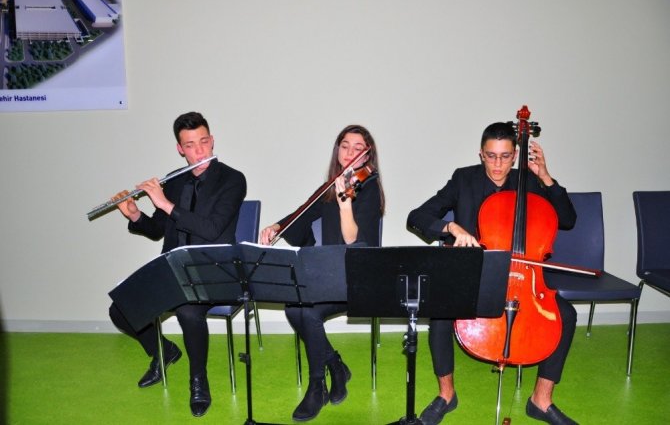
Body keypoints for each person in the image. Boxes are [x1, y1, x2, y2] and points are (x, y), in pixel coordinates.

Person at [406, 122, 578, 425]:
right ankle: (446, 394)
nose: (498, 164)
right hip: (474, 274)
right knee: (440, 316)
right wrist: (450, 227)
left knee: (565, 314)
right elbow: (416, 217)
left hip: (522, 278)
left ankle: (541, 400)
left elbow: (567, 219)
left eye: (505, 156)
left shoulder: (529, 181)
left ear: (515, 156)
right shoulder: (463, 179)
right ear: (481, 154)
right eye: (491, 156)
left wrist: (546, 177)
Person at [108, 111, 246, 417]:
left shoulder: (233, 180)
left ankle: (198, 380)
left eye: (204, 142)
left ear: (212, 140)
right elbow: (157, 230)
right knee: (119, 309)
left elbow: (212, 229)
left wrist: (165, 204)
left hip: (215, 270)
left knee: (187, 310)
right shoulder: (174, 181)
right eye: (191, 145)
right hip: (173, 269)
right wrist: (135, 215)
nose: (200, 151)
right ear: (180, 149)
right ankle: (164, 351)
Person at [259, 125, 385, 422]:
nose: (350, 153)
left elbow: (354, 241)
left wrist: (345, 206)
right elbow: (303, 212)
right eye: (345, 145)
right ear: (337, 150)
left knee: (308, 312)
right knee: (293, 307)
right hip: (329, 275)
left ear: (367, 154)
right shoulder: (330, 186)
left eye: (358, 148)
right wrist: (277, 227)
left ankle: (317, 386)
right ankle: (336, 365)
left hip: (357, 280)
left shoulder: (369, 188)